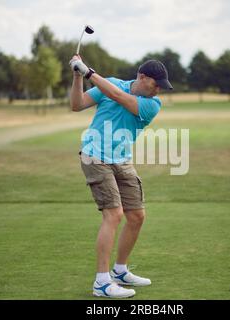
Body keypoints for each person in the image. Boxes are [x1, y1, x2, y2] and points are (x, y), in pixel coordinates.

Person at [69, 55, 173, 298]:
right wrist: (77, 77)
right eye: (155, 84)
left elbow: (117, 96)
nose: (158, 90)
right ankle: (102, 283)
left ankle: (120, 271)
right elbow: (77, 104)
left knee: (136, 215)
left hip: (121, 159)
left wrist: (87, 71)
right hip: (95, 155)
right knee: (114, 214)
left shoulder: (152, 104)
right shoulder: (112, 82)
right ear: (142, 77)